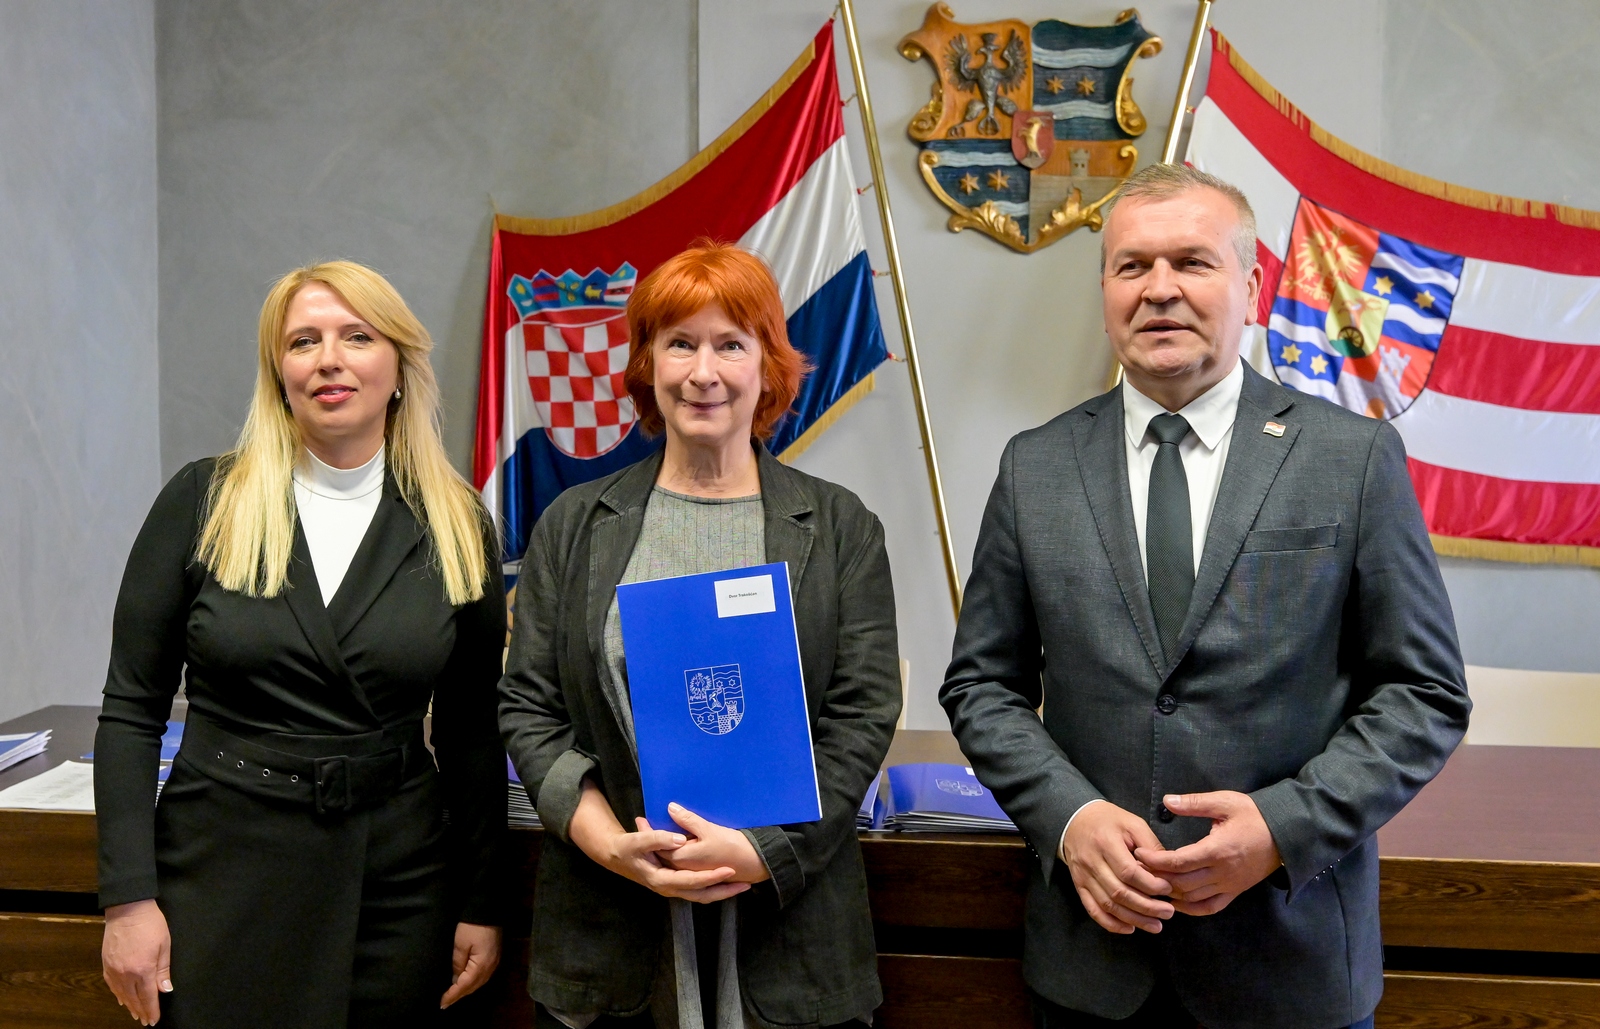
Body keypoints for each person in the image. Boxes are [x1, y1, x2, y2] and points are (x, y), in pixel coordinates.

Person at [940, 163, 1471, 1029]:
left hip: (1289, 959)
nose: (1160, 289)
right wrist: (1068, 818)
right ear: (1105, 292)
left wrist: (1282, 827)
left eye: (1192, 262)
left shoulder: (1352, 459)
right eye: (1132, 266)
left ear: (1252, 287)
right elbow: (981, 685)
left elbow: (1425, 692)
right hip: (1092, 966)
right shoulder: (1035, 466)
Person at [94, 261, 507, 1027]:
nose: (329, 359)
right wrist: (127, 899)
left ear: (399, 366)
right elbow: (130, 710)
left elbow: (471, 730)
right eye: (303, 341)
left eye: (358, 337)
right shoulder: (204, 501)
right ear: (278, 372)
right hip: (222, 869)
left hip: (397, 881)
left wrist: (482, 900)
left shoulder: (457, 521)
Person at [499, 241, 900, 1029]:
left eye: (730, 345)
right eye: (679, 343)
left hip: (790, 928)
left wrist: (764, 851)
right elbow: (528, 707)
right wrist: (609, 842)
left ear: (767, 365)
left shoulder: (839, 526)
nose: (703, 372)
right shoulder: (574, 524)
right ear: (647, 363)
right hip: (610, 920)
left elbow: (862, 714)